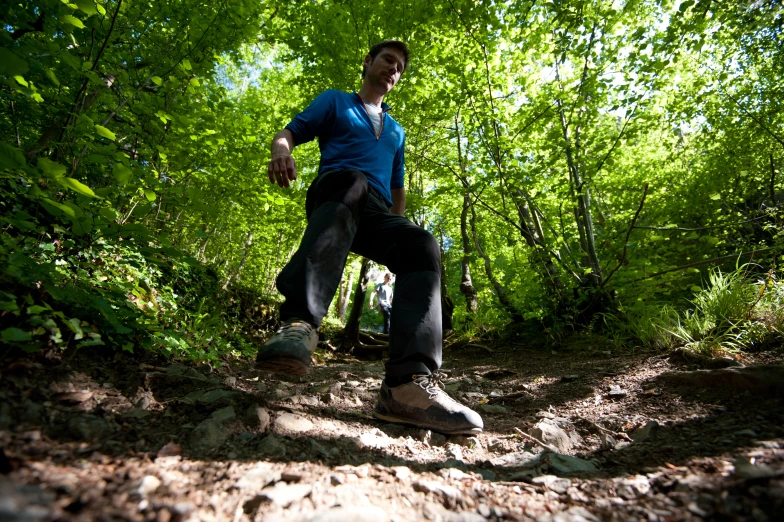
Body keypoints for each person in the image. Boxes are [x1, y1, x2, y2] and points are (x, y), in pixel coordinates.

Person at [255, 40, 482, 435]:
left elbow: (397, 190)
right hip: (337, 194)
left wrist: (396, 244)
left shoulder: (396, 131)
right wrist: (280, 149)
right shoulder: (336, 102)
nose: (393, 69)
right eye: (387, 60)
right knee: (354, 181)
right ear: (368, 62)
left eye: (399, 68)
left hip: (377, 211)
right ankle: (299, 325)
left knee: (423, 245)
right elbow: (291, 131)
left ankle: (406, 385)